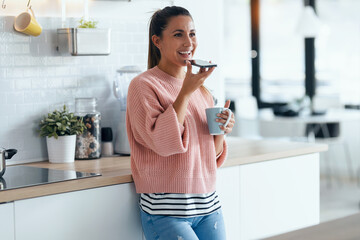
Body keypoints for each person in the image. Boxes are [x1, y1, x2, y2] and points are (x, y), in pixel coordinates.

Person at [126, 5, 235, 240]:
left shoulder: (202, 91)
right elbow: (163, 143)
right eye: (178, 34)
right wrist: (184, 93)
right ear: (157, 41)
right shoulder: (143, 85)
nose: (188, 42)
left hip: (208, 207)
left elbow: (211, 154)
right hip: (167, 212)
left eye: (192, 33)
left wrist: (221, 130)